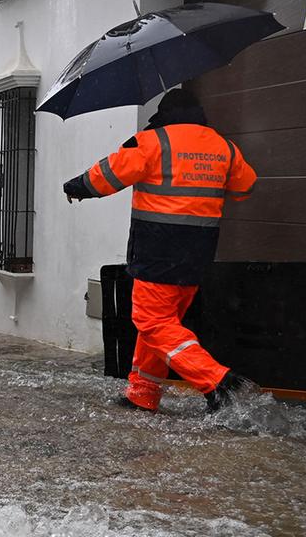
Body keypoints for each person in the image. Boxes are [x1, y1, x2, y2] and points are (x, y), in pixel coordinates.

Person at [63, 89, 257, 413]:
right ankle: (142, 392)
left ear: (163, 114)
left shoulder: (152, 141)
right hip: (198, 254)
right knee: (162, 324)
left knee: (151, 321)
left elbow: (108, 175)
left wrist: (76, 186)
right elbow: (245, 185)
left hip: (158, 248)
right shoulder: (222, 146)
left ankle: (217, 381)